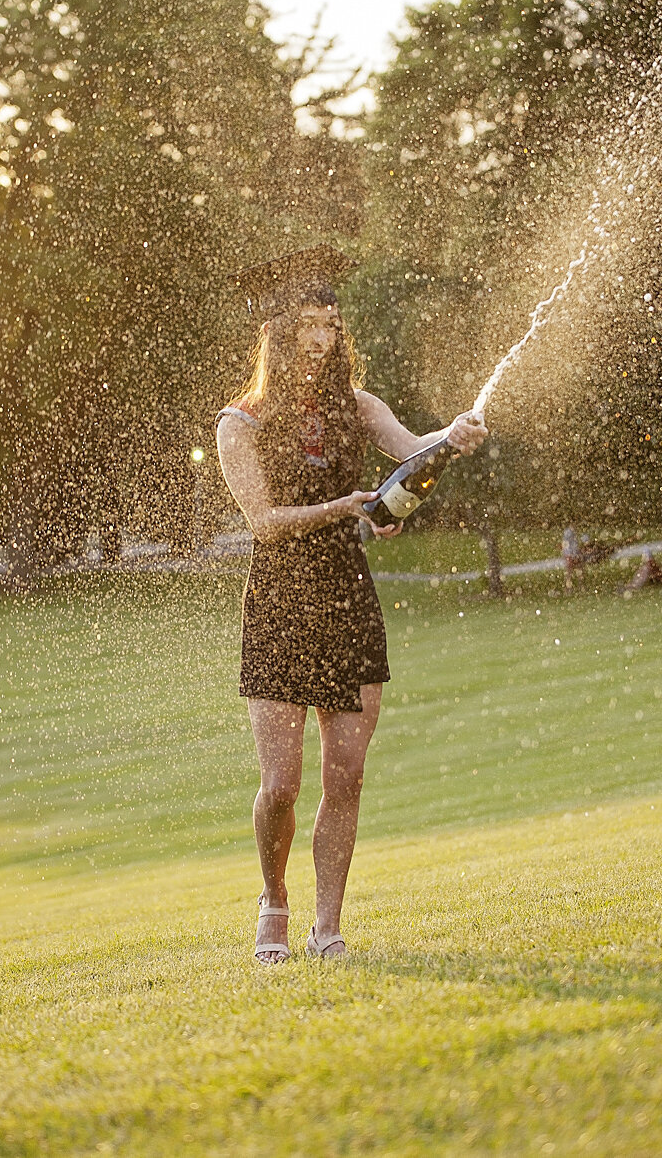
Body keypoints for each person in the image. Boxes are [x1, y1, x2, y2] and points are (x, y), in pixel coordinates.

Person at [216, 246, 486, 964]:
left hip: (347, 597)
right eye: (307, 323)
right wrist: (346, 506)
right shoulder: (238, 423)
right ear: (277, 332)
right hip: (279, 603)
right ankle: (273, 901)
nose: (320, 337)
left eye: (331, 324)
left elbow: (411, 448)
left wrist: (451, 440)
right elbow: (263, 522)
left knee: (347, 774)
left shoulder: (358, 407)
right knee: (281, 783)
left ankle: (326, 927)